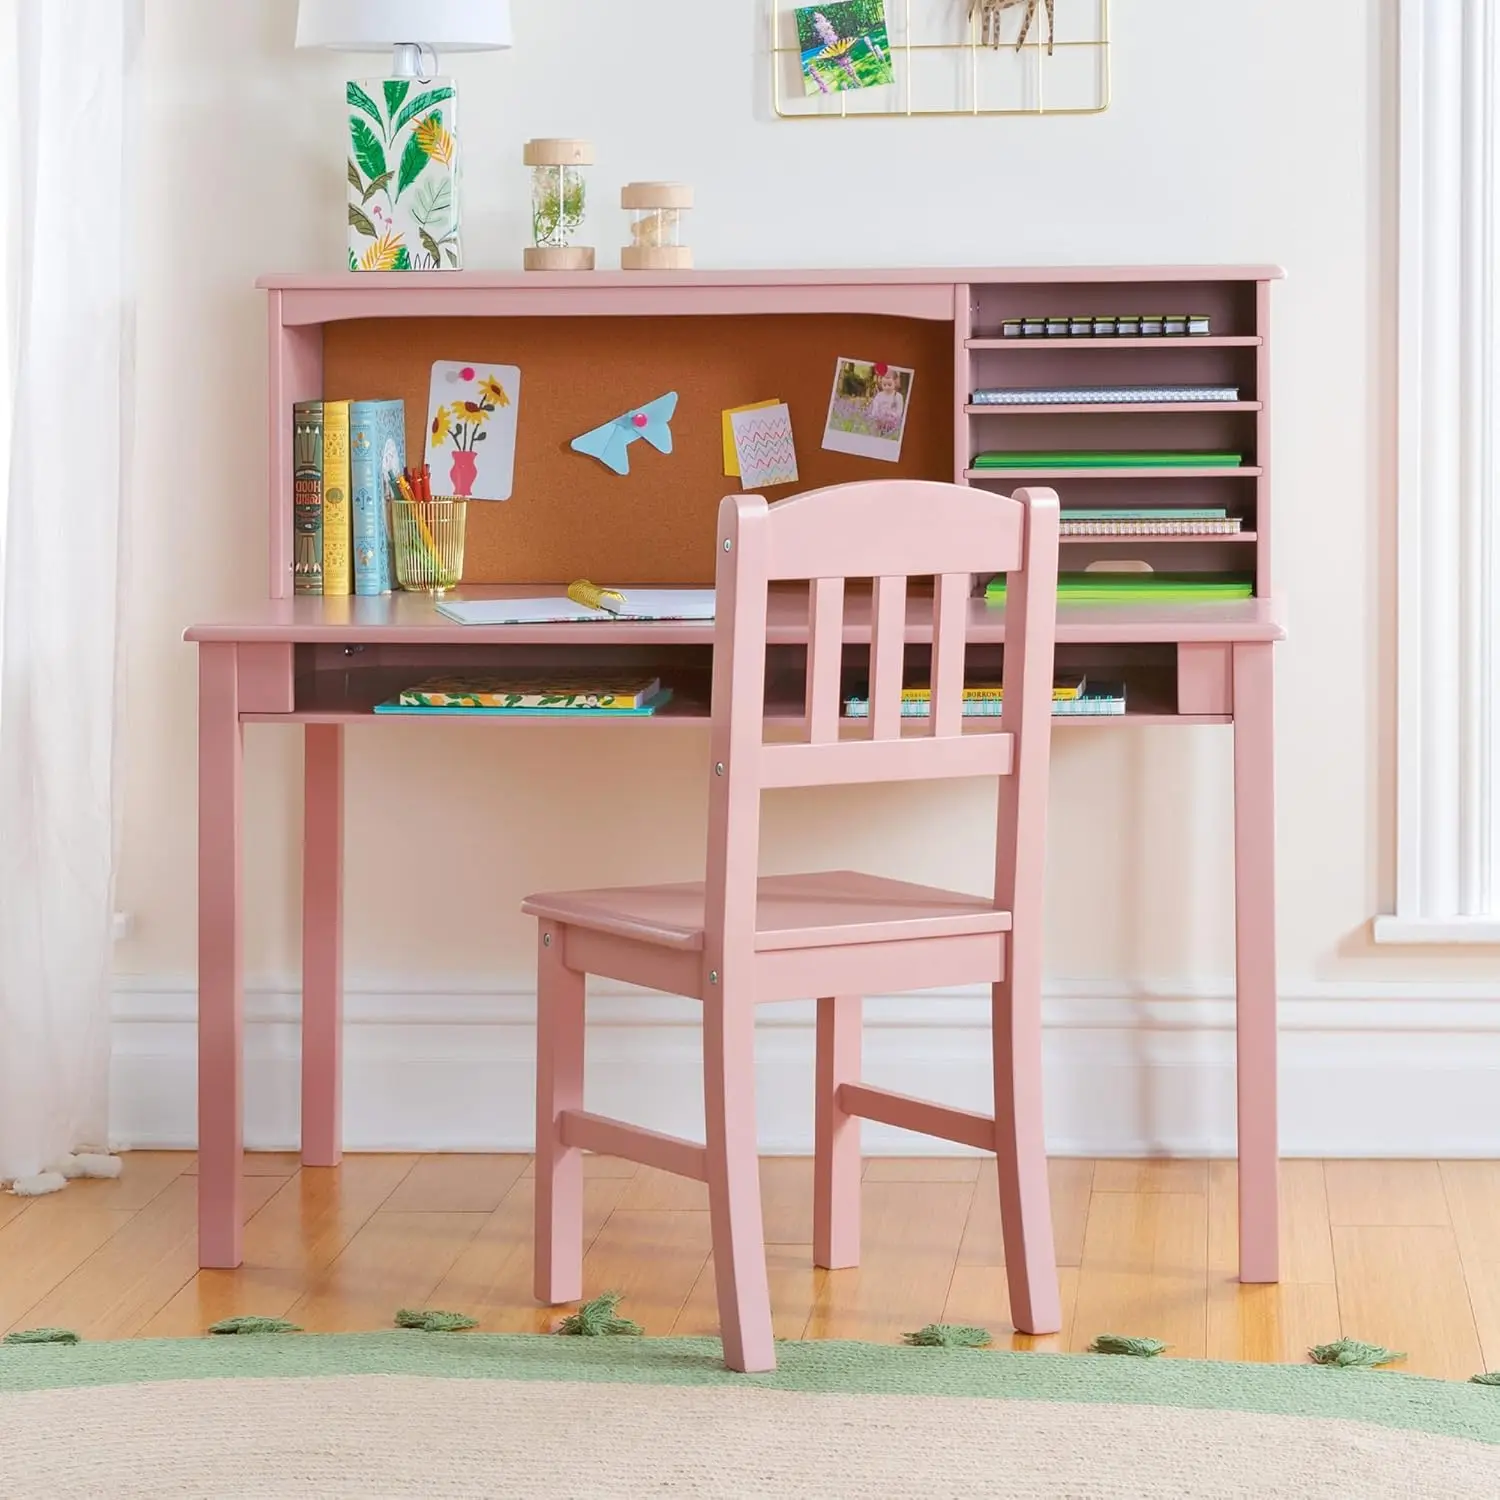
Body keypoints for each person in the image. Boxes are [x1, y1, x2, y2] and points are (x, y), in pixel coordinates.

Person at [866, 364, 905, 436]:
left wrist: (891, 415)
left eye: (889, 385)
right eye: (884, 385)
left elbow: (899, 412)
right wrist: (876, 416)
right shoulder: (879, 395)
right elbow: (875, 408)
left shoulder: (898, 396)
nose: (887, 387)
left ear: (895, 383)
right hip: (879, 422)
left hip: (892, 423)